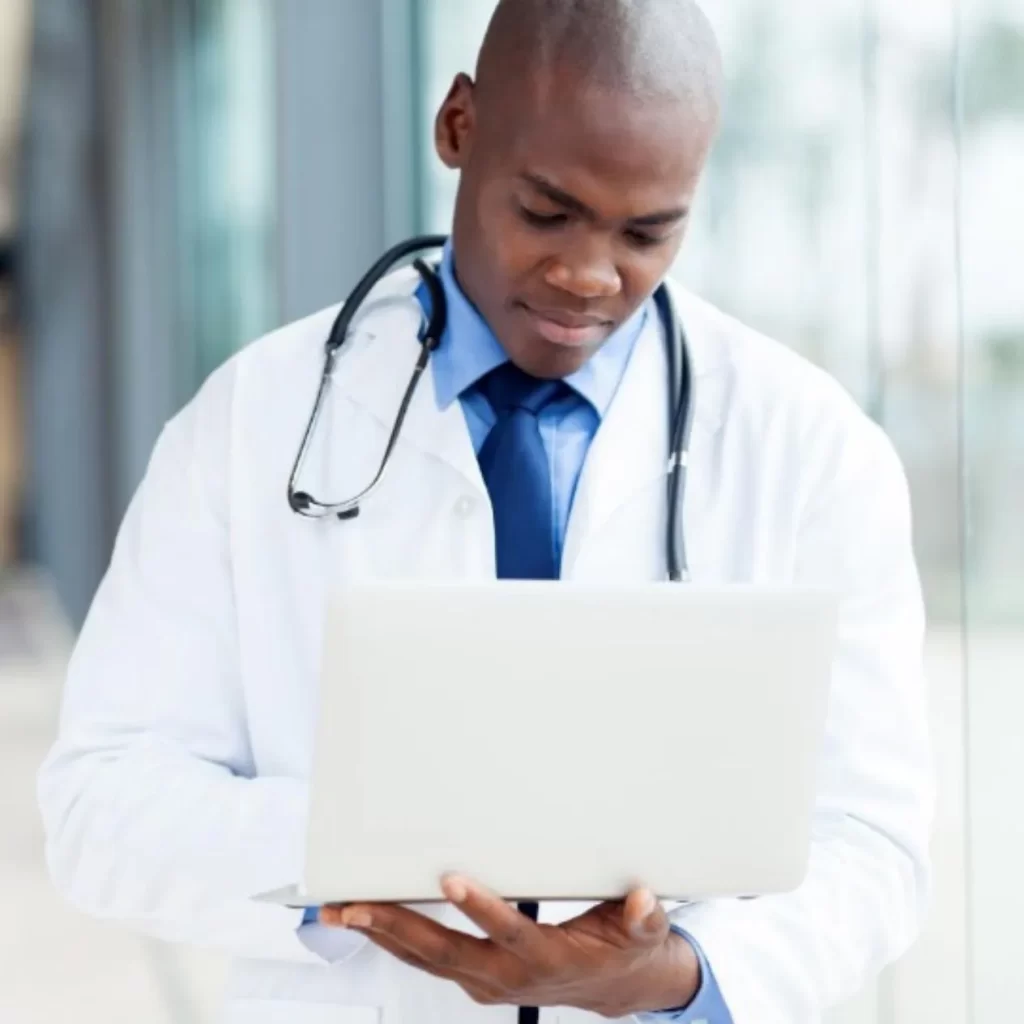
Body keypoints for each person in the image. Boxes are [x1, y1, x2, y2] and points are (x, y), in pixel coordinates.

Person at [37, 1, 934, 1022]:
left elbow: (874, 843)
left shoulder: (811, 450)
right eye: (547, 211)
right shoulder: (251, 421)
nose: (590, 274)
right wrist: (356, 856)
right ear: (458, 126)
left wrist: (673, 975)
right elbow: (99, 805)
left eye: (647, 231)